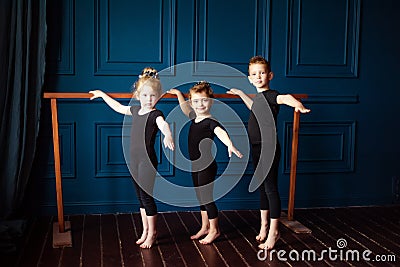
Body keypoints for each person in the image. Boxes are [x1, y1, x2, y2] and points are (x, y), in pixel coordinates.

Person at [227, 56, 310, 250]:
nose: (258, 76)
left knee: (270, 188)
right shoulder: (260, 98)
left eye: (262, 73)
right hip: (257, 147)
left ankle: (274, 231)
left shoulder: (272, 94)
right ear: (249, 78)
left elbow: (285, 98)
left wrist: (298, 105)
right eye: (254, 74)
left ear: (270, 75)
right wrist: (240, 93)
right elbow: (253, 106)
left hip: (268, 147)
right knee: (263, 187)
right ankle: (264, 225)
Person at [89, 67, 175, 249]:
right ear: (137, 95)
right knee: (140, 198)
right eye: (145, 96)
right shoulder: (136, 110)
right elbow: (119, 107)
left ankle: (152, 232)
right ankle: (145, 230)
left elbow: (164, 125)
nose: (148, 99)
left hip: (147, 161)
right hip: (133, 160)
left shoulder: (155, 114)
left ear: (158, 96)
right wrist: (102, 95)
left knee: (147, 197)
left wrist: (168, 135)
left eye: (152, 96)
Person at [168, 82, 243, 244]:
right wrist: (178, 94)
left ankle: (215, 230)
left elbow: (221, 132)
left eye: (204, 100)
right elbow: (184, 108)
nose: (199, 104)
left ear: (211, 102)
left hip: (207, 166)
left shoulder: (211, 122)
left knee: (207, 198)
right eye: (195, 101)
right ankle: (205, 227)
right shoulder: (195, 117)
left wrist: (230, 144)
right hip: (196, 165)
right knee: (200, 198)